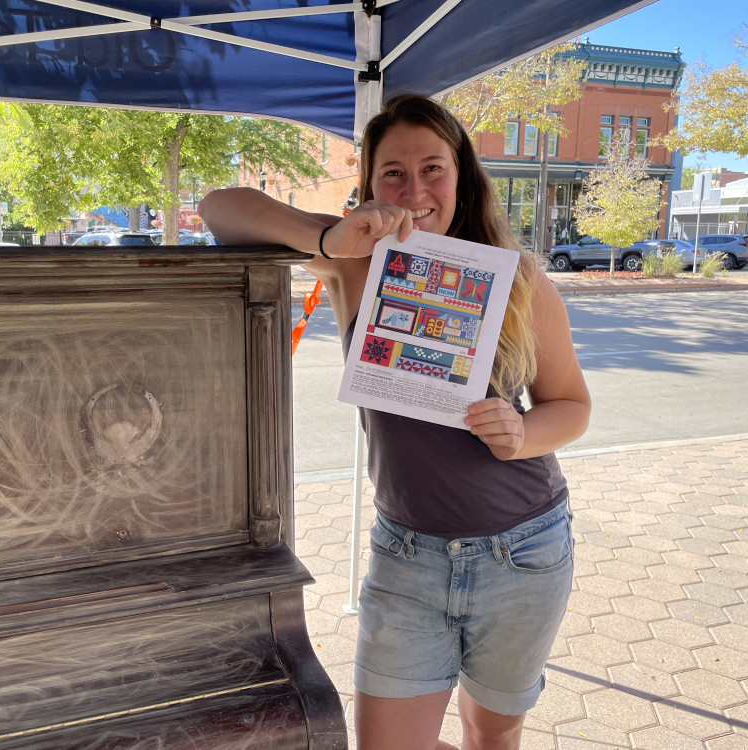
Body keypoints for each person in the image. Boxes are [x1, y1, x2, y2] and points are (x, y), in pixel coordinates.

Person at [199, 95, 590, 750]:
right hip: (407, 558)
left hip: (522, 552)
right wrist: (327, 235)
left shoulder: (519, 279)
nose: (415, 190)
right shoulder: (355, 263)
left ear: (461, 176)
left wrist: (522, 434)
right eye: (393, 174)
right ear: (369, 184)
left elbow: (572, 407)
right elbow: (220, 210)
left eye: (433, 168)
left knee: (491, 734)